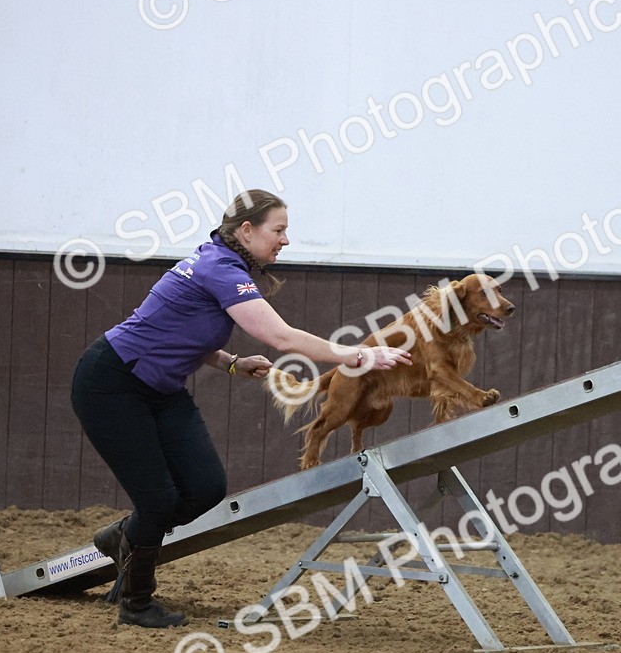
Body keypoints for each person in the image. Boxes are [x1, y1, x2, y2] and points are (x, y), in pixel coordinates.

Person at [71, 189, 412, 628]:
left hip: (160, 389)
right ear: (247, 230)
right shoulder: (219, 268)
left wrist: (231, 362)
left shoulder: (221, 263)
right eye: (279, 230)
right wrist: (359, 355)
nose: (285, 240)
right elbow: (281, 337)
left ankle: (124, 535)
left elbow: (183, 332)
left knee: (205, 488)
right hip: (112, 384)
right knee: (157, 501)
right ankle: (136, 603)